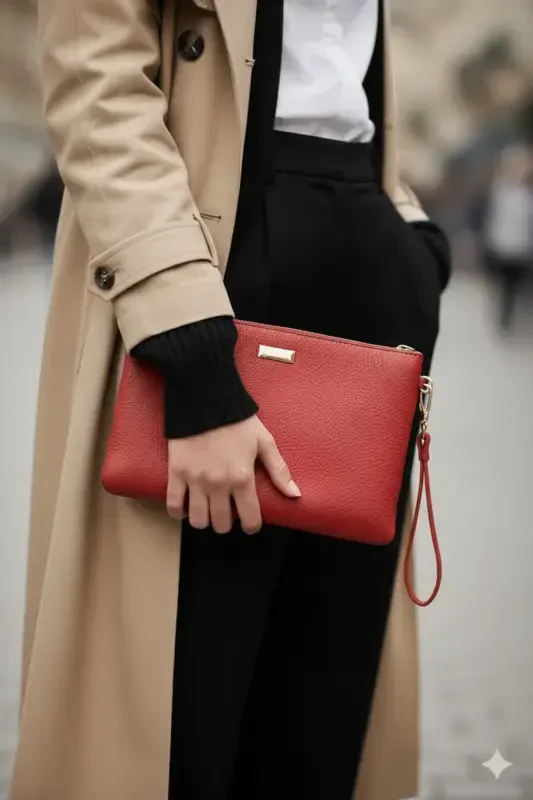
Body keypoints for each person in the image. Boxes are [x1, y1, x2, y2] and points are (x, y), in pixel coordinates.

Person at [12, 1, 451, 799]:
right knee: (179, 723)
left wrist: (415, 245)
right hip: (206, 273)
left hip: (368, 296)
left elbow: (344, 79)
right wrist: (191, 355)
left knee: (321, 718)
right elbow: (97, 79)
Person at [482, 144, 533, 331]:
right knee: (502, 285)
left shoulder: (527, 194)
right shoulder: (499, 190)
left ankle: (507, 316)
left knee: (512, 286)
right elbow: (488, 216)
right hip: (499, 245)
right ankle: (503, 316)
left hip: (520, 248)